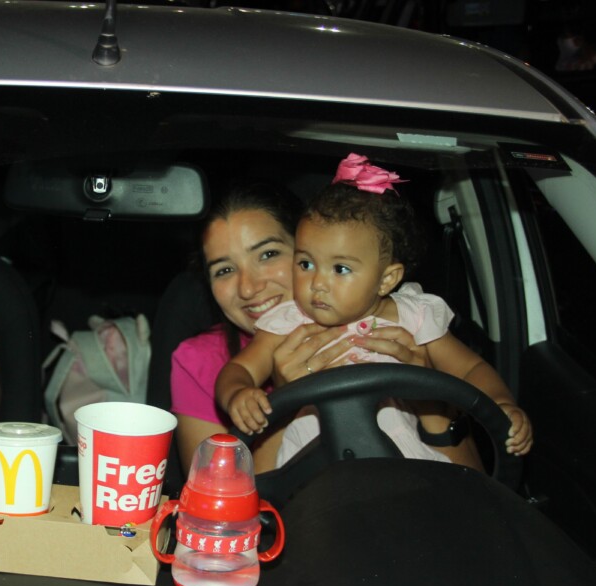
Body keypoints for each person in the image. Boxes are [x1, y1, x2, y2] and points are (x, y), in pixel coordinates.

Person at [215, 154, 533, 468]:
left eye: (340, 269)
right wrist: (238, 394)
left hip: (405, 465)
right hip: (314, 469)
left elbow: (471, 369)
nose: (317, 284)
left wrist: (502, 403)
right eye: (306, 263)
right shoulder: (289, 321)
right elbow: (239, 369)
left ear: (387, 279)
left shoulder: (413, 317)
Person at [170, 179, 427, 474]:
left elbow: (467, 477)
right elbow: (218, 494)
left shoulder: (402, 322)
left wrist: (429, 401)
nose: (248, 288)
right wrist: (281, 402)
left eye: (268, 254)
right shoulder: (201, 363)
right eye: (224, 270)